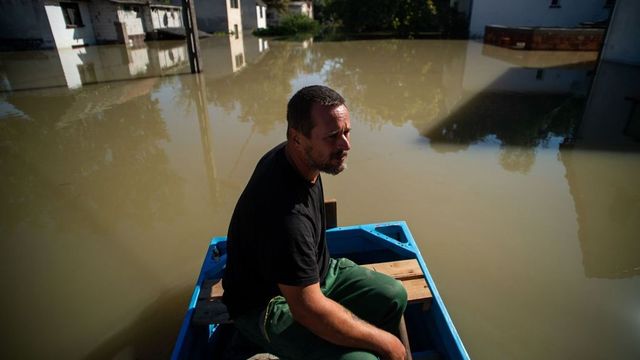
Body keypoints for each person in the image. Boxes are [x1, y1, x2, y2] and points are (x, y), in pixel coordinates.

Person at [222, 85, 408, 360]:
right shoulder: (285, 214)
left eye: (346, 132)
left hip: (316, 276)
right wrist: (387, 344)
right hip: (269, 305)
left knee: (394, 294)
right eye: (333, 136)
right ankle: (253, 343)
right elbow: (306, 307)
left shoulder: (301, 157)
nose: (345, 145)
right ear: (297, 139)